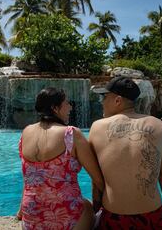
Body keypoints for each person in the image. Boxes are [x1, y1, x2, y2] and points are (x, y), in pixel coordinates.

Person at [90, 76, 162, 229]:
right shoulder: (158, 125)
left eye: (104, 97)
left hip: (115, 220)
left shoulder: (97, 127)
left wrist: (96, 210)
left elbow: (97, 182)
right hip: (152, 218)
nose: (101, 102)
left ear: (117, 100)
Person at [17, 87, 104, 230]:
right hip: (66, 216)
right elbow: (98, 179)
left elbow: (29, 179)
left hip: (31, 217)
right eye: (67, 103)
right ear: (55, 108)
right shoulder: (70, 134)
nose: (70, 106)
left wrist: (21, 210)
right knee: (88, 206)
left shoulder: (26, 132)